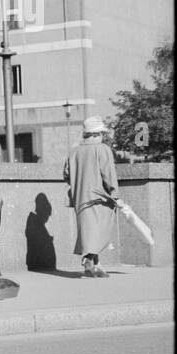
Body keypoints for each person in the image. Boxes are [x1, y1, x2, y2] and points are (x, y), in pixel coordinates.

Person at [63, 115, 119, 278]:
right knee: (100, 229)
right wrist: (115, 194)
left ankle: (96, 265)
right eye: (102, 133)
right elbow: (108, 174)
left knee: (88, 229)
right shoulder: (102, 149)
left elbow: (66, 174)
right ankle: (88, 258)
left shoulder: (74, 151)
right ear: (96, 134)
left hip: (80, 195)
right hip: (100, 196)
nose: (103, 136)